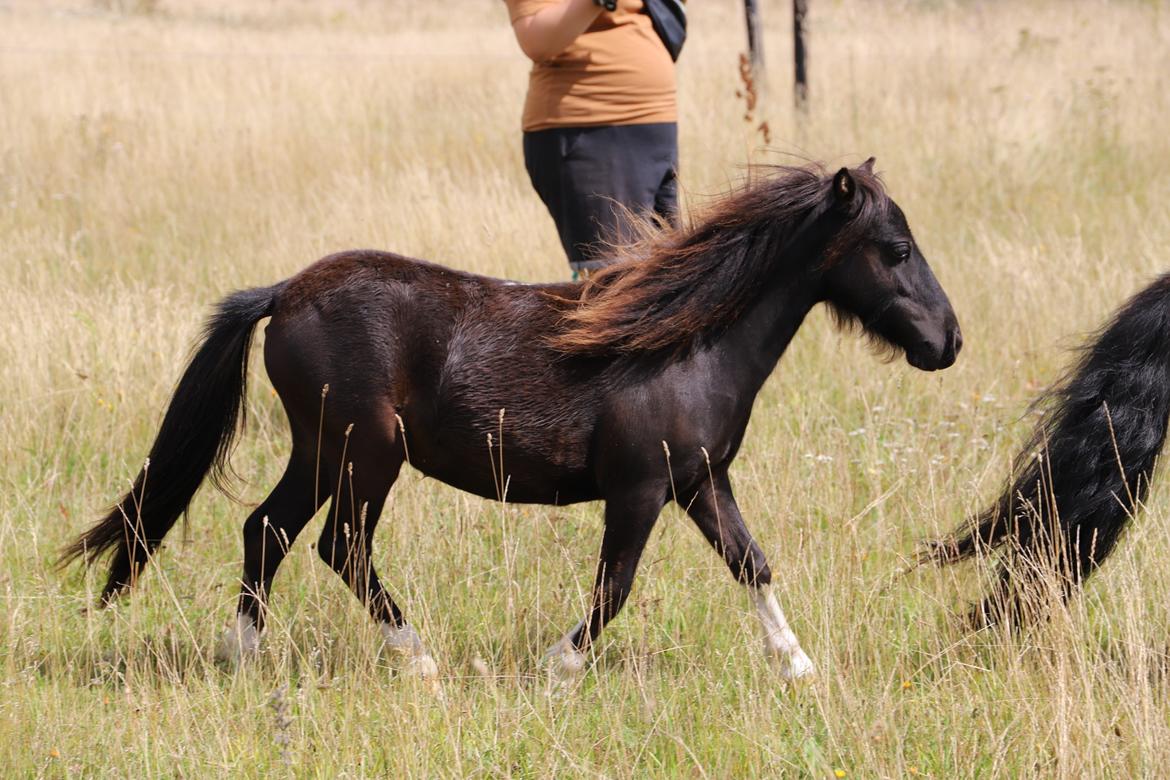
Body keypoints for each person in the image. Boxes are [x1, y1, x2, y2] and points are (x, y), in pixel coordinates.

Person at [504, 0, 680, 278]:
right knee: (616, 288)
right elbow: (536, 39)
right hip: (592, 130)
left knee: (667, 280)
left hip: (654, 128)